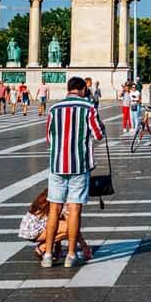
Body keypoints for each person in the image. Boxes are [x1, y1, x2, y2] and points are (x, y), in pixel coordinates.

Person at [41, 77, 105, 268]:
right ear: (83, 89)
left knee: (54, 209)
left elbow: (48, 138)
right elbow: (98, 134)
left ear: (68, 89)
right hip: (79, 165)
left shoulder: (54, 109)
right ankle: (70, 255)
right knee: (75, 209)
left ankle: (48, 254)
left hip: (57, 165)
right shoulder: (88, 107)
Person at [18, 189, 92, 262]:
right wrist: (84, 246)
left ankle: (54, 250)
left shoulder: (53, 192)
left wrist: (58, 248)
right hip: (35, 230)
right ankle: (42, 247)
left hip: (29, 229)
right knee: (69, 227)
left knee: (58, 224)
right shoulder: (65, 200)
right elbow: (72, 227)